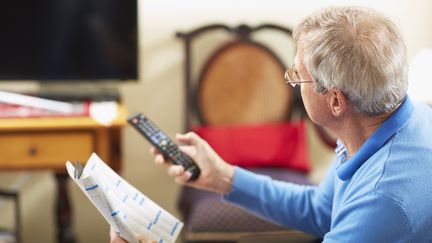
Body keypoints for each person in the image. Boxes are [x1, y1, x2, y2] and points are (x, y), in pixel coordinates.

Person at [111, 6, 432, 242]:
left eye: (297, 74)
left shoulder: (382, 202)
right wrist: (221, 176)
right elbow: (320, 212)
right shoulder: (386, 124)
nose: (292, 80)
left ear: (336, 101)